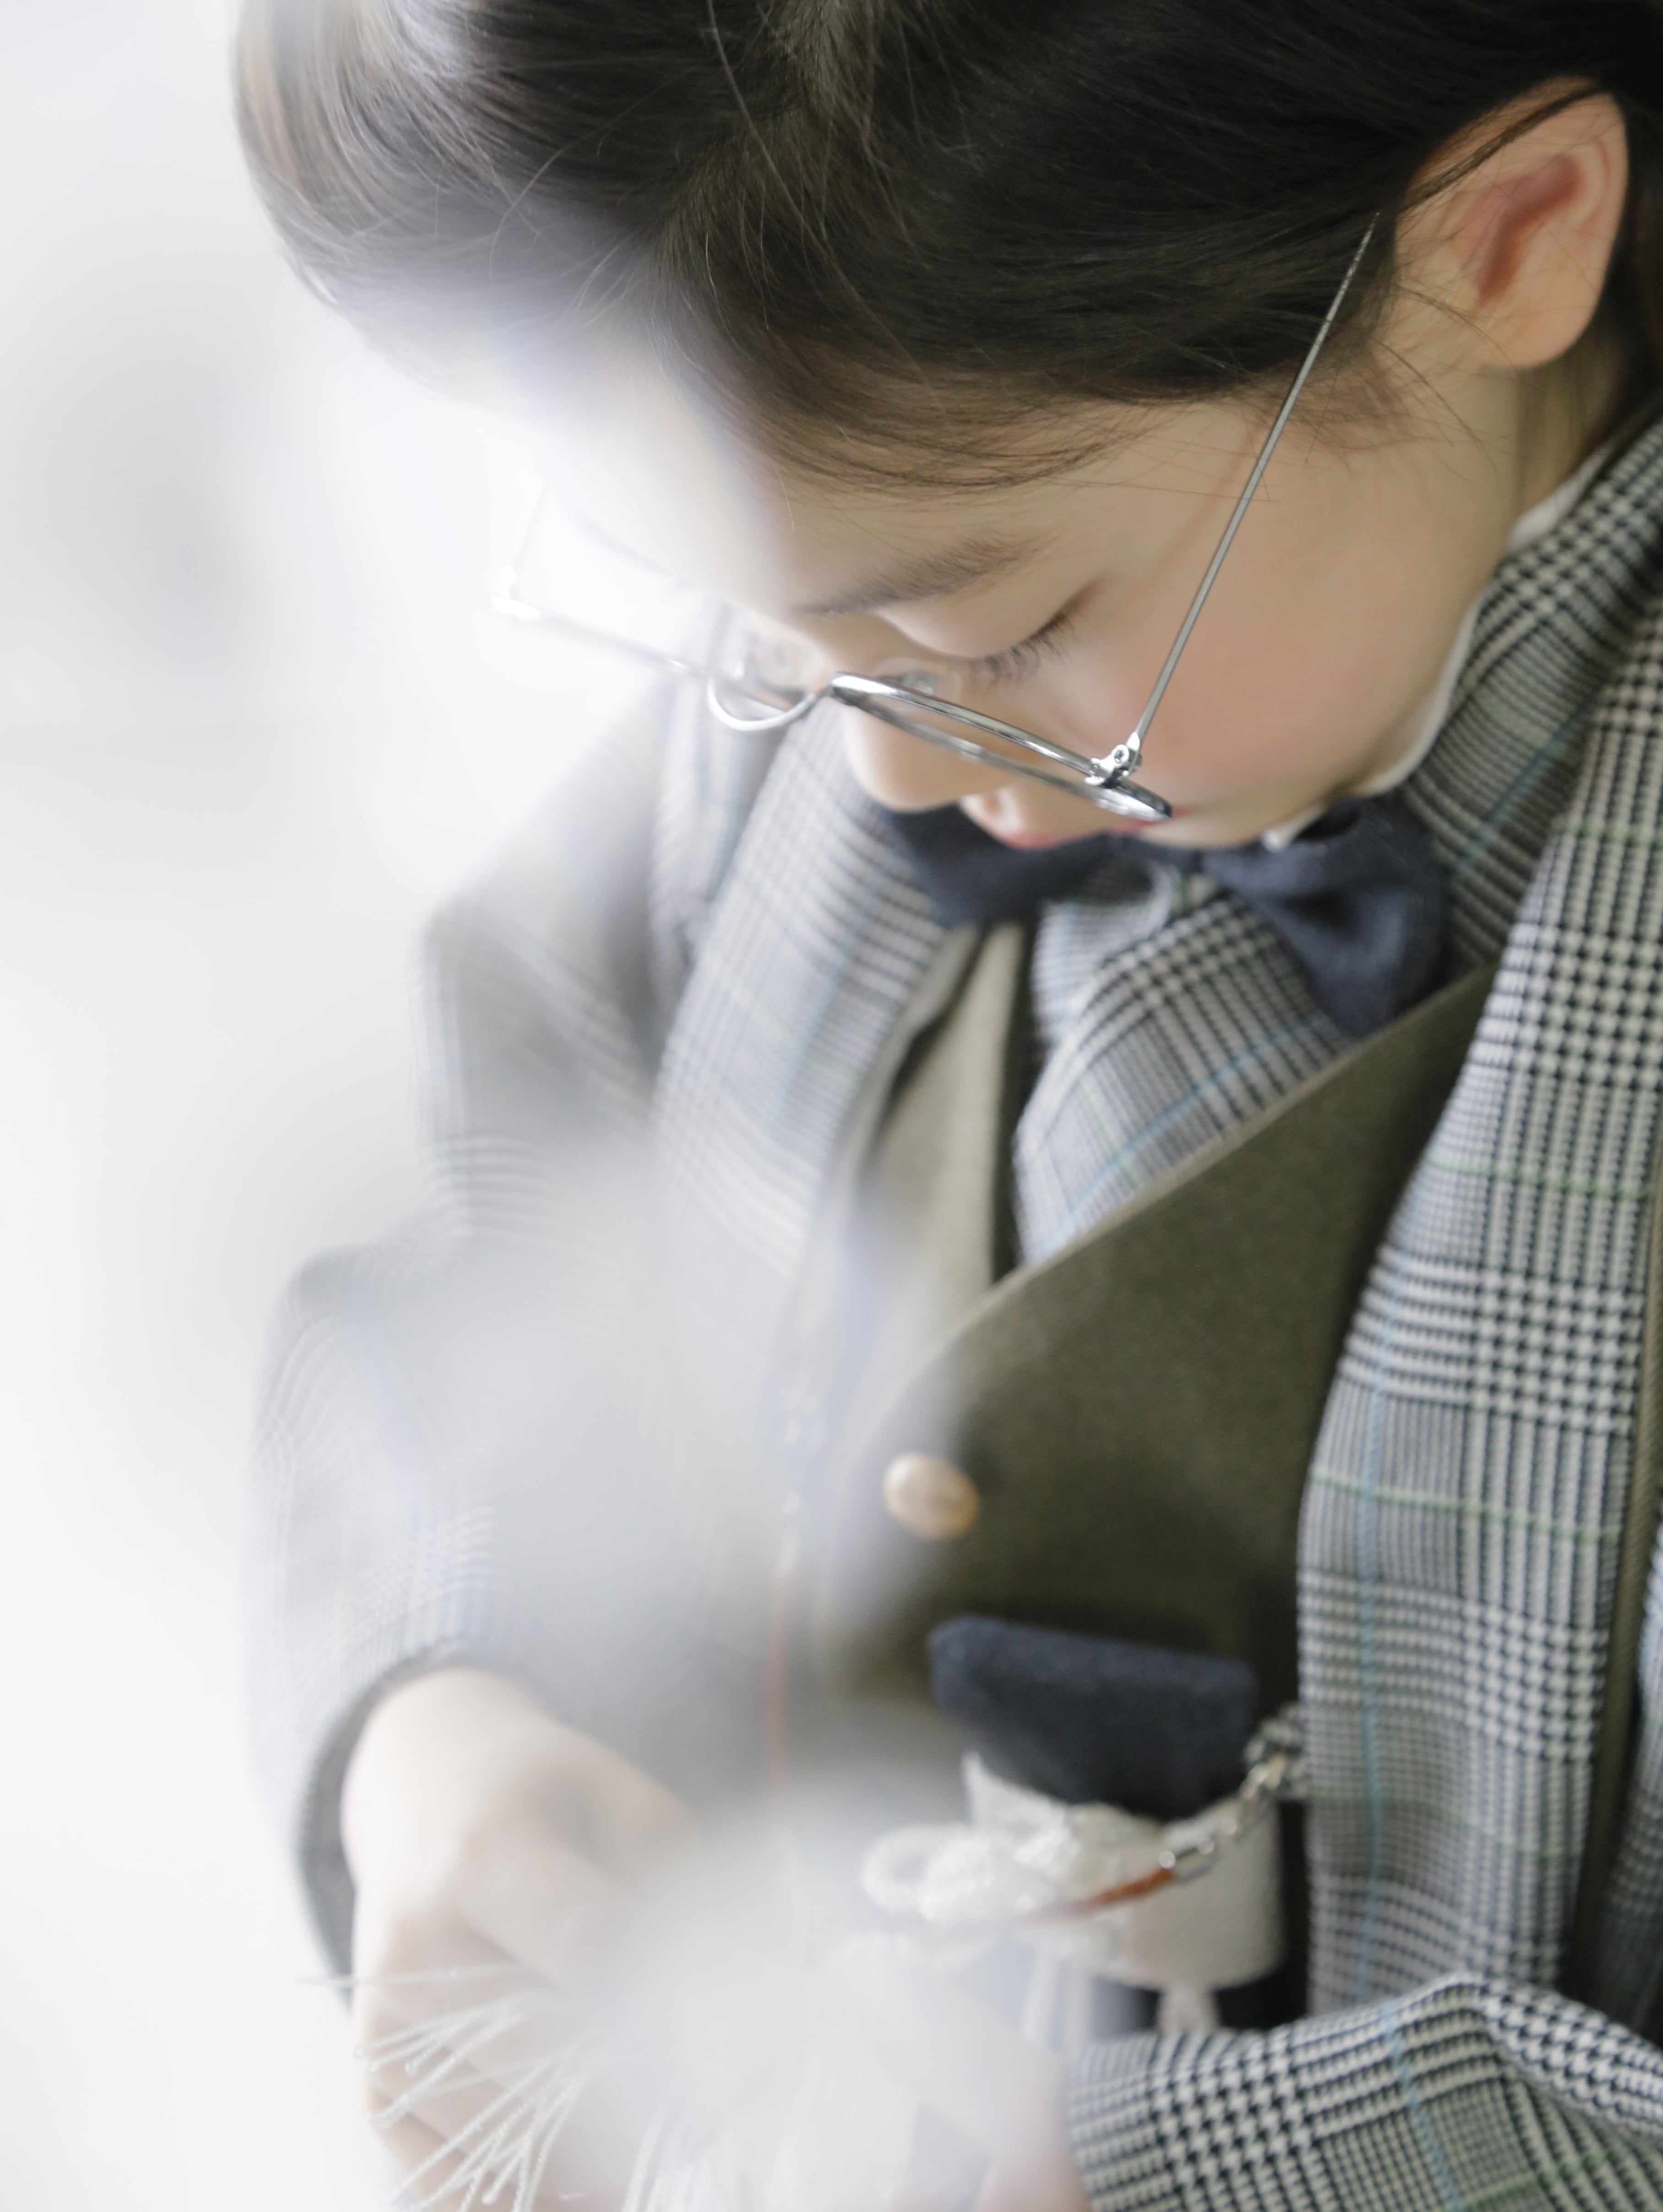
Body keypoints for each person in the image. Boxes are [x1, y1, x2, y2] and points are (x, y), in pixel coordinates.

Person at [236, 1, 1663, 2204]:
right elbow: (497, 1216)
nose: (878, 764)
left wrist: (1178, 2168)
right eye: (752, 626)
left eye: (995, 633)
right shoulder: (855, 648)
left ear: (1505, 240)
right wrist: (443, 1698)